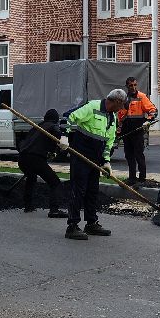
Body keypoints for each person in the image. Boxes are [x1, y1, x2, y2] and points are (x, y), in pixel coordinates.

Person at [61, 89, 127, 240]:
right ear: (117, 102)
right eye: (122, 105)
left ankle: (91, 223)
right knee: (78, 191)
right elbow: (68, 116)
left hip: (95, 161)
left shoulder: (113, 117)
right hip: (81, 157)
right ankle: (72, 226)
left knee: (92, 191)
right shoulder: (93, 106)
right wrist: (64, 136)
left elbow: (108, 142)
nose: (122, 108)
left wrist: (106, 162)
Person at [17, 108, 66, 217]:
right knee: (54, 182)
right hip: (35, 159)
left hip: (22, 158)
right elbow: (58, 135)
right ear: (56, 119)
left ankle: (28, 206)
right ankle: (54, 210)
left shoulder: (37, 127)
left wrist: (52, 151)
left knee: (31, 178)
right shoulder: (52, 126)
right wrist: (64, 140)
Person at [119, 76, 158, 184]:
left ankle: (142, 178)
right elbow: (120, 116)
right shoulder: (123, 98)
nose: (133, 87)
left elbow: (153, 110)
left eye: (135, 85)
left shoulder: (141, 96)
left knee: (139, 155)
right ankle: (132, 178)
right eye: (131, 85)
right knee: (129, 156)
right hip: (127, 132)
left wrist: (148, 120)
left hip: (138, 131)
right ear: (127, 86)